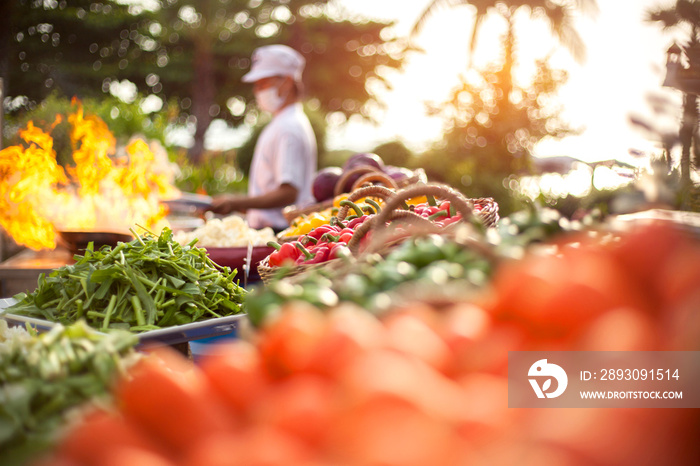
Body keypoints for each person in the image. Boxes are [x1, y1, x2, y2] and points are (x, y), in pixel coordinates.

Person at [208, 45, 317, 233]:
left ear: (288, 82)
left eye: (263, 84)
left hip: (280, 231)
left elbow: (289, 193)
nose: (257, 91)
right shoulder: (283, 123)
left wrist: (235, 203)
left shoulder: (288, 127)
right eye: (256, 85)